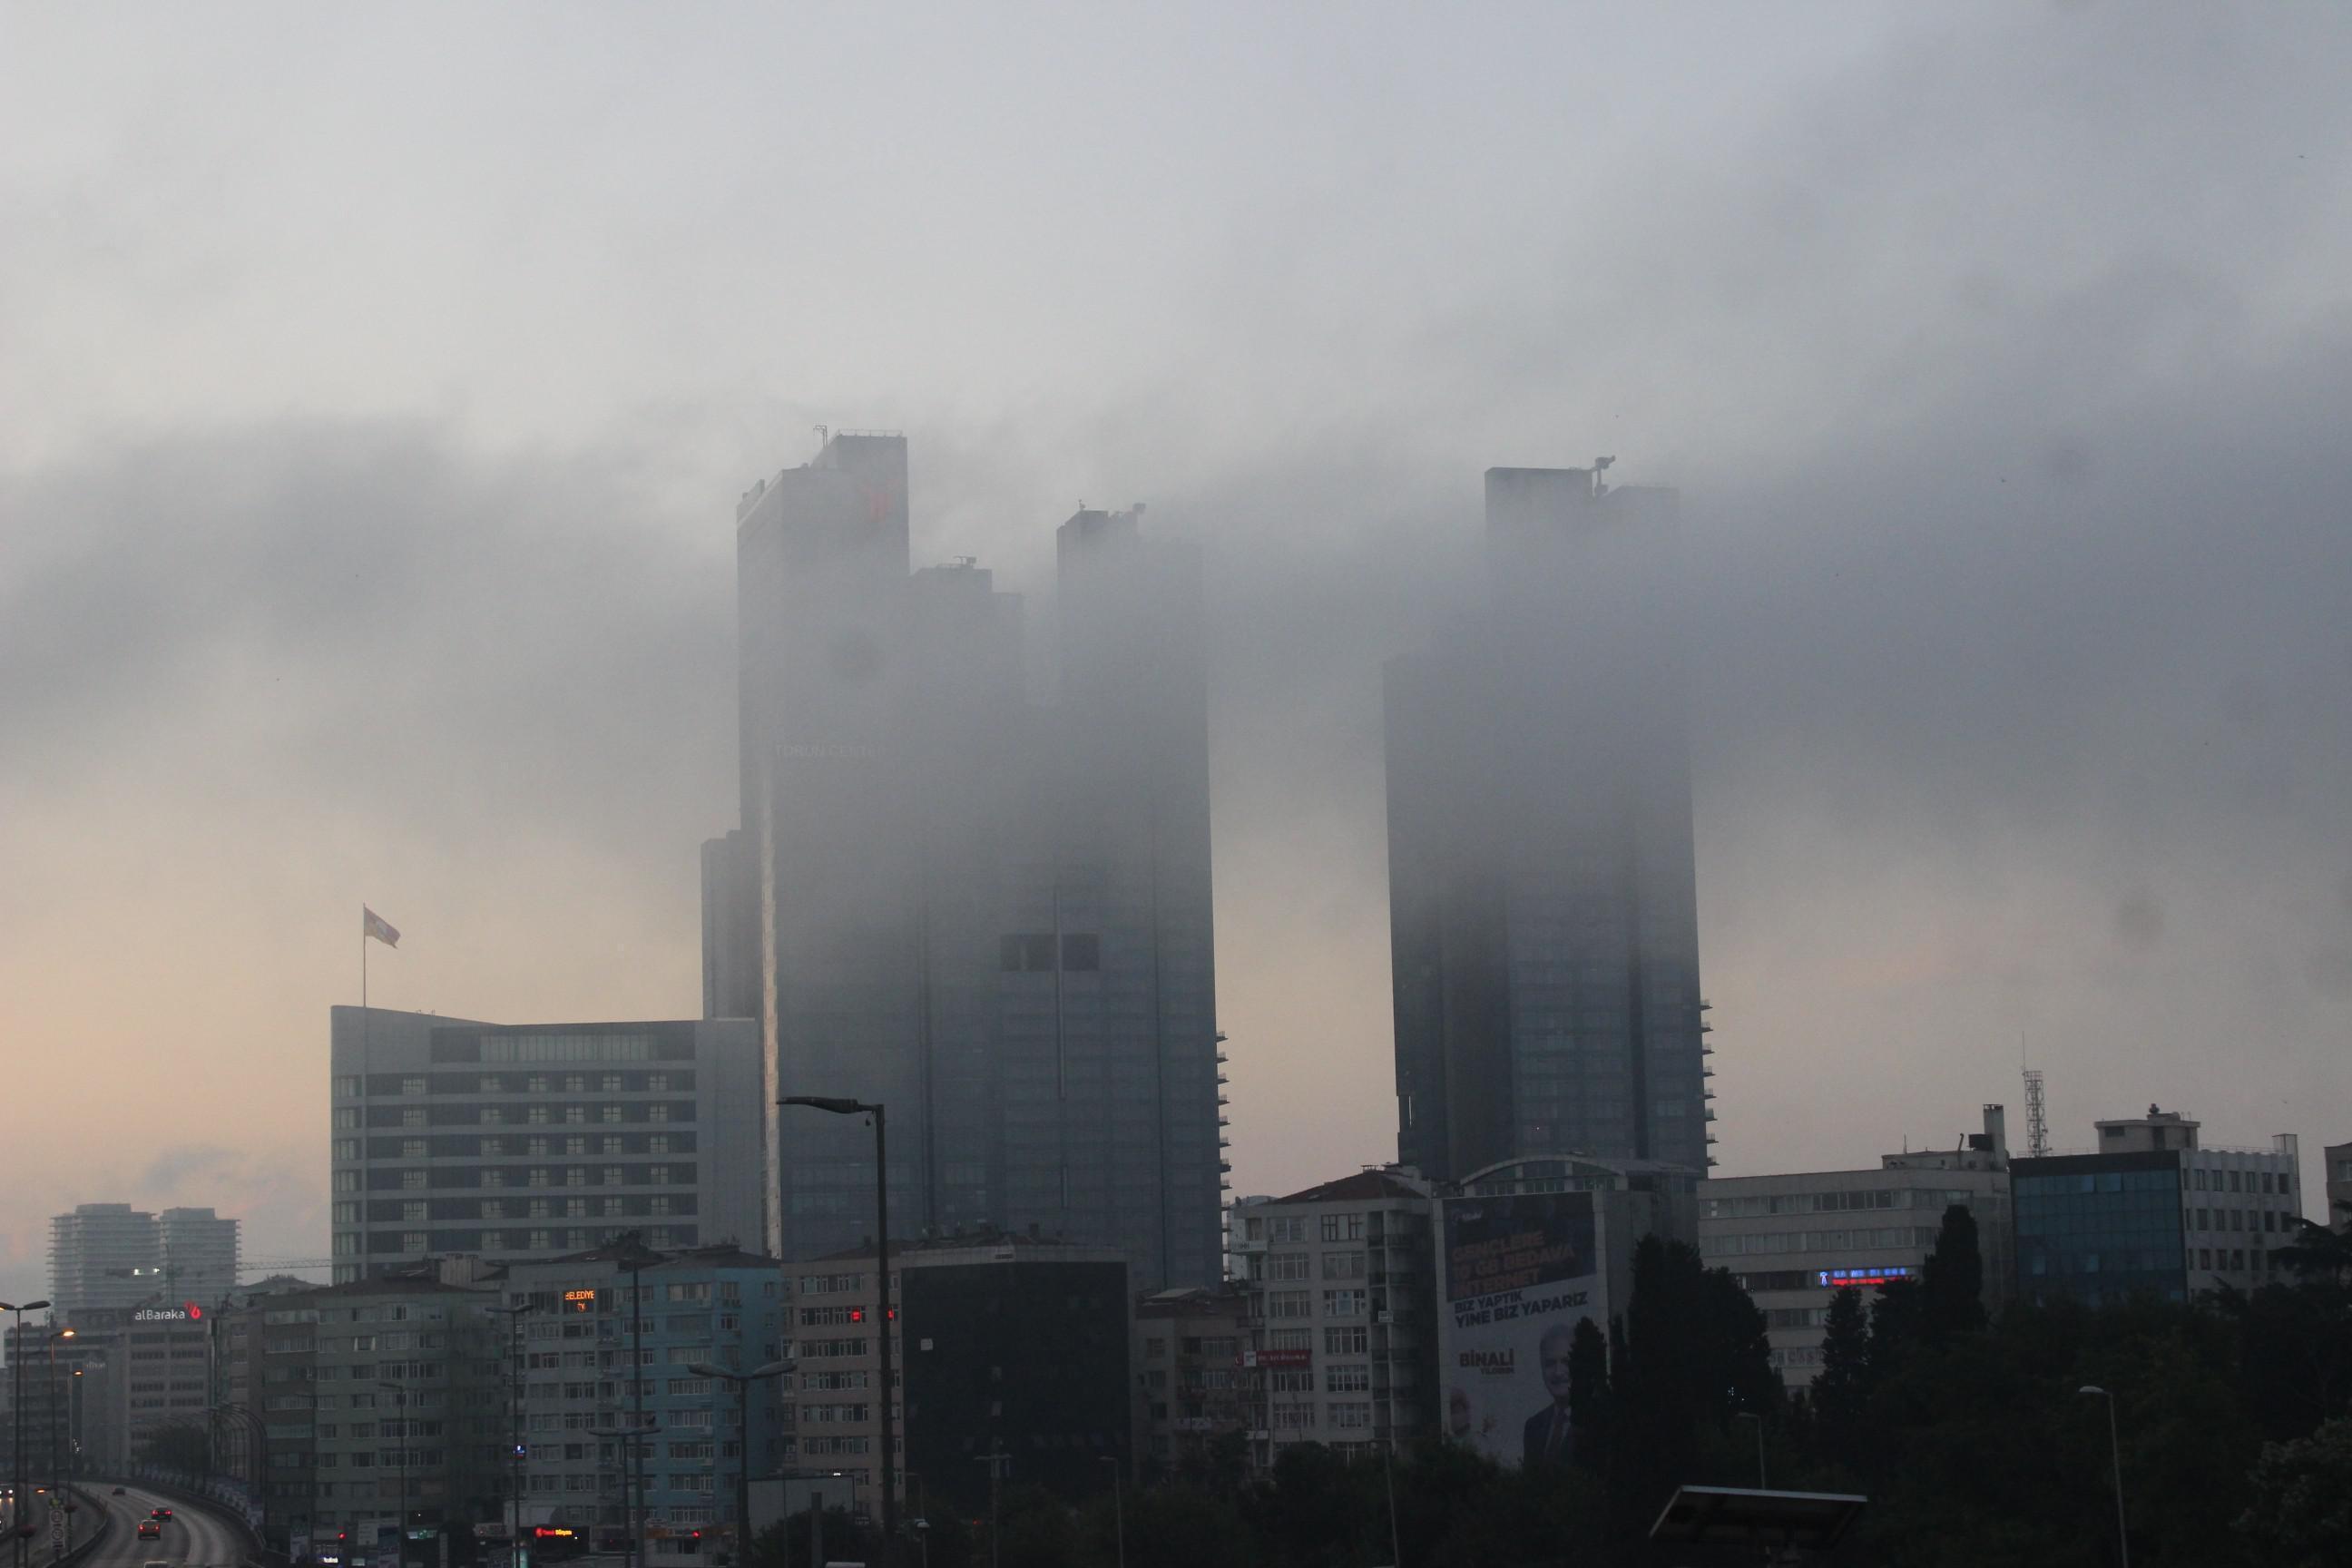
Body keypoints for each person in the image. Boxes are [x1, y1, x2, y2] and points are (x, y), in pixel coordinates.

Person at [1521, 1320, 1578, 1466]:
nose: (1558, 1372)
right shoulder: (1533, 1426)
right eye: (1550, 1363)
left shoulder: (1597, 1421)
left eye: (1566, 1361)